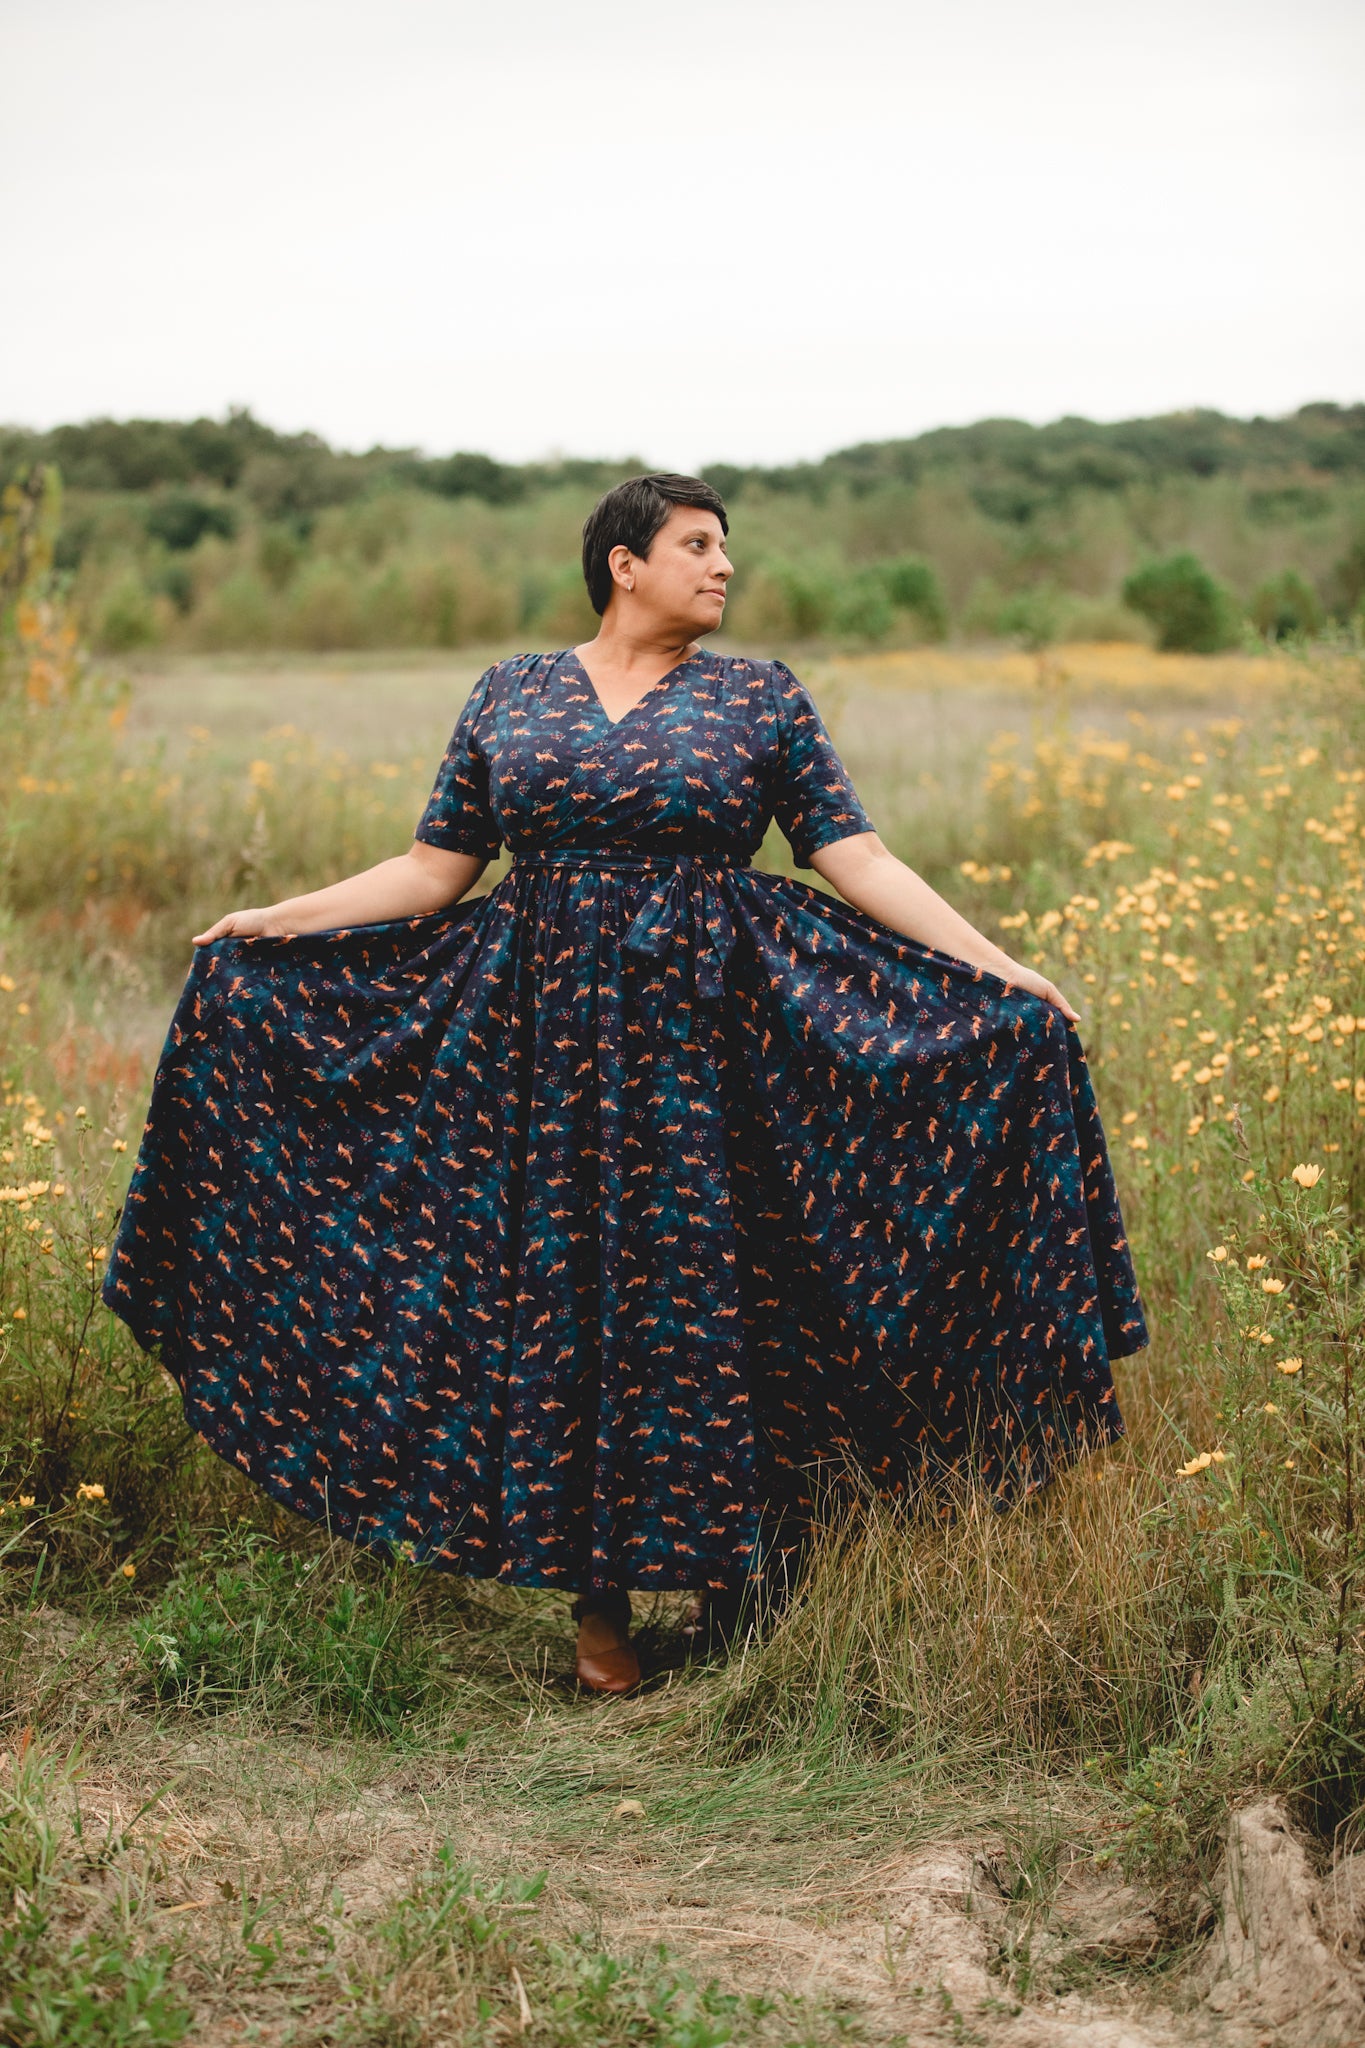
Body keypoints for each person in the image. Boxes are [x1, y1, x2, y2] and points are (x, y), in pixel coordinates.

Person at [104, 473, 1148, 1696]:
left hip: (721, 1052)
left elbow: (854, 856)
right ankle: (599, 1622)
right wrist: (279, 919)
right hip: (536, 1051)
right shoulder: (513, 689)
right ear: (623, 564)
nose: (724, 568)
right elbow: (436, 869)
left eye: (726, 549)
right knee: (556, 1305)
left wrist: (999, 966)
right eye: (697, 546)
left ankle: (743, 1588)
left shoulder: (761, 696)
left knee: (727, 1299)